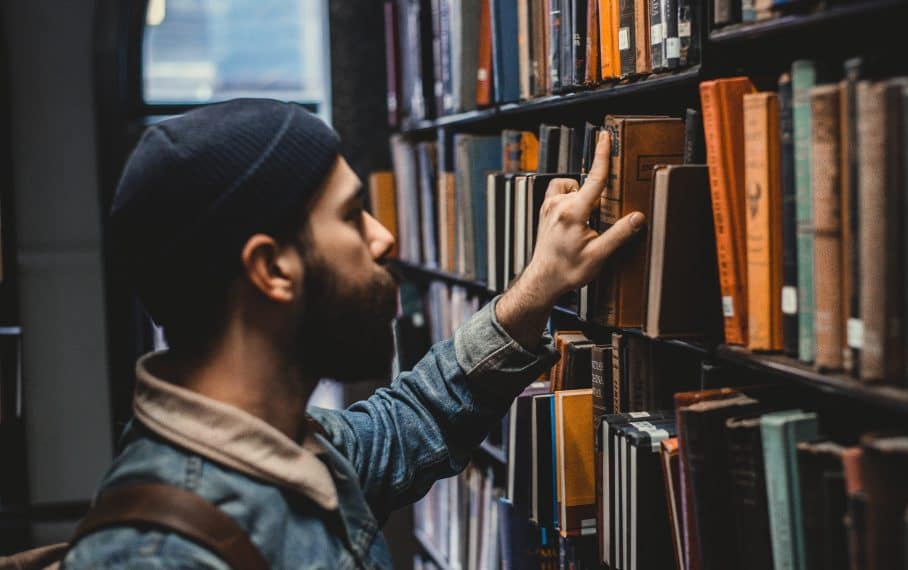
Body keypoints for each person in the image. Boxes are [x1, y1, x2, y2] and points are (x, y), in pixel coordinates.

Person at [62, 99, 644, 568]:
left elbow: (418, 416)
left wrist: (538, 288)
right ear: (271, 269)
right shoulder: (160, 556)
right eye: (350, 215)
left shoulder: (296, 448)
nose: (383, 238)